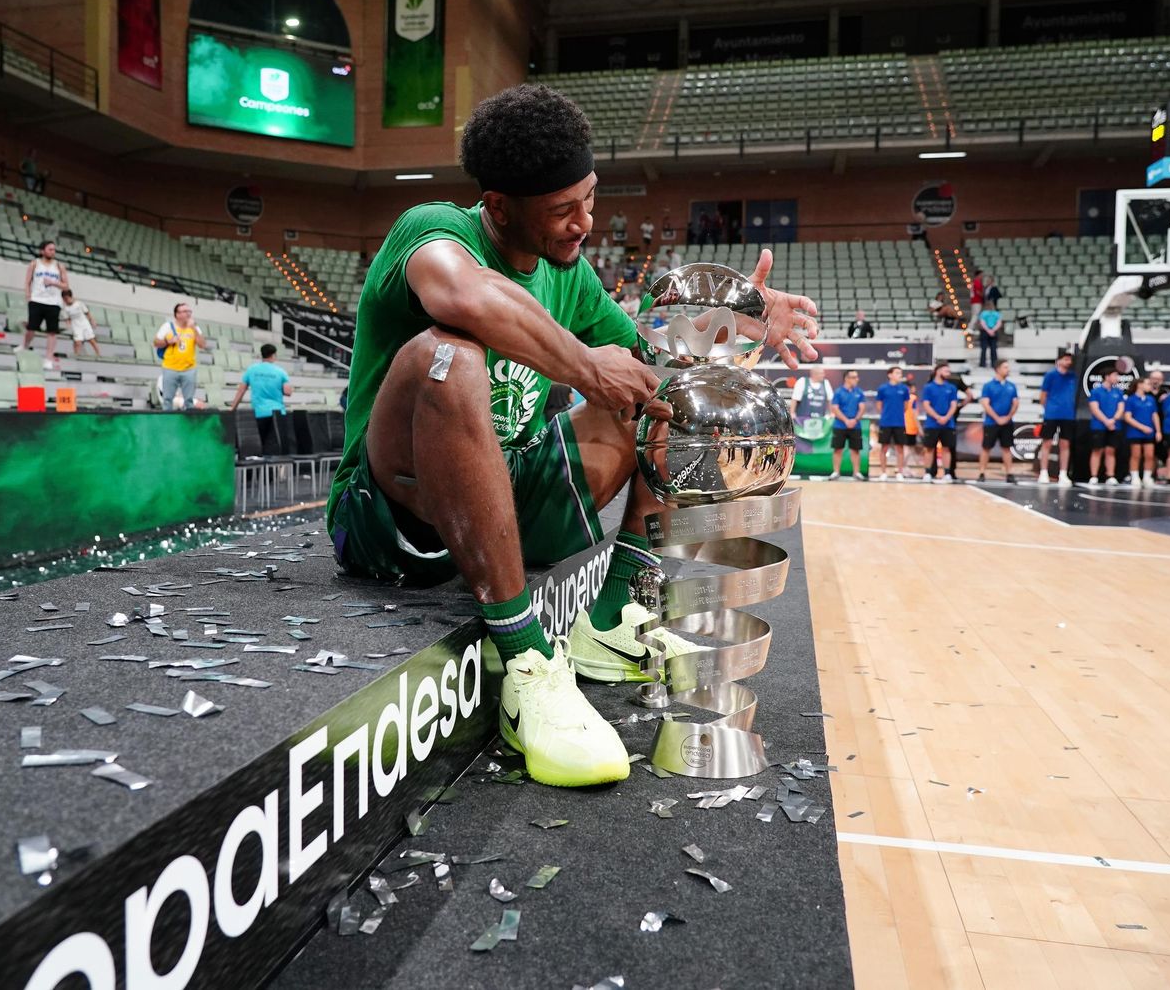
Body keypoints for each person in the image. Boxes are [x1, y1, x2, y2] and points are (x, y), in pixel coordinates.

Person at [322, 83, 818, 788]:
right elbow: (465, 298)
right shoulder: (434, 231)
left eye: (589, 198)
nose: (585, 222)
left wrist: (721, 330)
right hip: (389, 523)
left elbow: (649, 368)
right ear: (498, 206)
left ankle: (616, 613)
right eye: (562, 210)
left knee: (670, 391)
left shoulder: (573, 274)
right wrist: (583, 365)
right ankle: (527, 663)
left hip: (504, 504)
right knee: (448, 355)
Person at [229, 343, 294, 450]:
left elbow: (241, 390)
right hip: (277, 413)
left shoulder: (251, 370)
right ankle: (279, 467)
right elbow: (288, 392)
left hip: (259, 412)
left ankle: (262, 466)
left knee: (260, 444)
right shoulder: (281, 372)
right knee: (278, 446)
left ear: (262, 355)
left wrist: (233, 408)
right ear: (274, 355)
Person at [23, 240, 69, 367]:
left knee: (52, 332)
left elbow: (66, 286)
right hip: (37, 299)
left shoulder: (59, 266)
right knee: (31, 328)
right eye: (50, 249)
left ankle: (48, 358)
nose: (53, 252)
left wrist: (53, 282)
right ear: (42, 251)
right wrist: (28, 296)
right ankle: (25, 345)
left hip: (54, 302)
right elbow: (27, 281)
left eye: (54, 250)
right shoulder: (34, 264)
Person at [154, 302, 208, 409]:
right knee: (168, 399)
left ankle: (188, 422)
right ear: (177, 314)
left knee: (189, 400)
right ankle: (168, 422)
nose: (188, 314)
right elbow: (156, 342)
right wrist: (168, 341)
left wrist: (194, 329)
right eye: (185, 311)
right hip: (170, 368)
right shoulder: (167, 326)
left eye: (189, 311)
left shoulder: (195, 328)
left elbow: (202, 345)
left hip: (189, 369)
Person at [1036, 349, 1078, 486]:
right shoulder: (1050, 375)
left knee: (1065, 444)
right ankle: (1043, 472)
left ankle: (1063, 473)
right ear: (1058, 360)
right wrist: (1048, 409)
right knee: (1047, 443)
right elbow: (1043, 395)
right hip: (1052, 414)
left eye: (1069, 359)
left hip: (1068, 414)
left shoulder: (1073, 376)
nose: (1068, 362)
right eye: (1065, 359)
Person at [978, 359, 1019, 483]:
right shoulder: (988, 386)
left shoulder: (1011, 386)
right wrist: (997, 418)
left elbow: (1015, 403)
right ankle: (981, 472)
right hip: (991, 423)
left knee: (1007, 448)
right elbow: (985, 404)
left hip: (1007, 422)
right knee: (986, 448)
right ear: (998, 369)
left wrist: (1007, 417)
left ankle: (1009, 473)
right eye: (1005, 367)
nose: (1008, 369)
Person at [920, 364, 960, 483]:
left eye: (949, 370)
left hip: (948, 424)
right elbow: (926, 404)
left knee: (947, 448)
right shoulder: (928, 387)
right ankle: (927, 473)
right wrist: (937, 417)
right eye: (945, 370)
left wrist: (947, 417)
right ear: (937, 371)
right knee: (929, 449)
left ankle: (947, 474)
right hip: (932, 424)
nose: (948, 373)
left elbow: (954, 405)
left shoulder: (951, 388)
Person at [1087, 366, 1126, 486]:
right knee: (1097, 450)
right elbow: (1094, 409)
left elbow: (1121, 408)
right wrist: (1106, 421)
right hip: (1099, 425)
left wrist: (1113, 420)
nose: (1117, 378)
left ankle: (1110, 475)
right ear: (1107, 377)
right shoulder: (1095, 391)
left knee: (1111, 451)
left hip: (1115, 426)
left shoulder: (1118, 392)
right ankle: (1094, 476)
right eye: (1115, 375)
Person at [1121, 376, 1161, 488]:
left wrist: (1158, 431)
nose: (1149, 386)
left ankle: (1147, 477)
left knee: (1149, 455)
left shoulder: (1151, 399)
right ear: (1139, 385)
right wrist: (1142, 427)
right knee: (1136, 455)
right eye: (1147, 383)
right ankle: (1135, 476)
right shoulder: (1131, 399)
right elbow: (1128, 417)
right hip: (1135, 432)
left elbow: (1155, 415)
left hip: (1149, 432)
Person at [789, 364, 834, 459]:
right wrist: (792, 413)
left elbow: (830, 400)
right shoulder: (802, 382)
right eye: (821, 373)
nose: (823, 375)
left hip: (820, 420)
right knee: (804, 443)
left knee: (817, 442)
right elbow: (795, 399)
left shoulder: (826, 383)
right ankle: (802, 461)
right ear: (814, 374)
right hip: (803, 420)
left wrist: (831, 413)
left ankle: (817, 461)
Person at [873, 365, 910, 480]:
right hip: (886, 423)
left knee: (900, 448)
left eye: (900, 373)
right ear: (890, 375)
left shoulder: (904, 389)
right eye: (897, 373)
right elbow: (879, 405)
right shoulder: (883, 388)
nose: (900, 375)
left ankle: (899, 472)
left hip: (899, 423)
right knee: (884, 448)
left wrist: (897, 414)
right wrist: (886, 415)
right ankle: (883, 472)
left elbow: (906, 406)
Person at [828, 370, 865, 481]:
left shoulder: (859, 392)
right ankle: (836, 472)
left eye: (857, 377)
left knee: (855, 450)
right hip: (840, 425)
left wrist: (855, 420)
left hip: (856, 425)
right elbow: (835, 408)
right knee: (838, 449)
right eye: (854, 377)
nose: (857, 379)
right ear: (846, 378)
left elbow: (862, 408)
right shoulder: (838, 392)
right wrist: (846, 420)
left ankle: (856, 472)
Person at [61, 289, 99, 358]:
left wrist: (92, 321)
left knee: (92, 340)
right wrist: (68, 326)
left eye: (66, 298)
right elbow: (67, 319)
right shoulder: (65, 309)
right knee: (78, 342)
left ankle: (98, 354)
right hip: (75, 325)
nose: (65, 300)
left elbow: (87, 313)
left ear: (70, 297)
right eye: (64, 299)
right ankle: (77, 355)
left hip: (84, 323)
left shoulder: (79, 304)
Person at [977, 302, 1002, 368]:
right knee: (993, 349)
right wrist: (992, 330)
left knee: (983, 349)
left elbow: (983, 323)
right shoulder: (997, 313)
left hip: (985, 331)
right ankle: (994, 364)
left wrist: (988, 330)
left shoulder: (983, 313)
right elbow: (999, 323)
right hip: (994, 331)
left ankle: (982, 364)